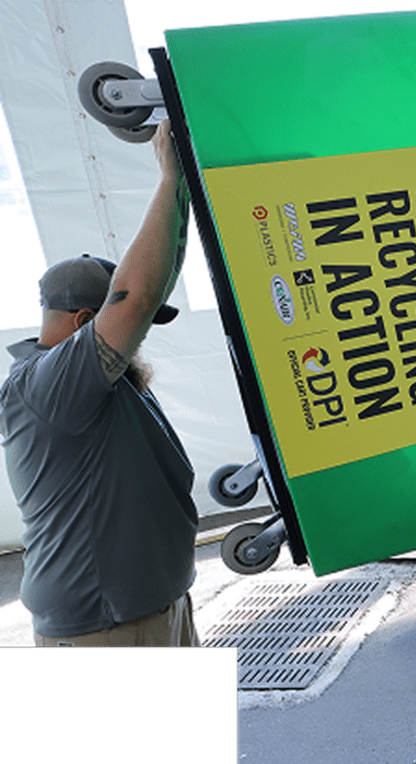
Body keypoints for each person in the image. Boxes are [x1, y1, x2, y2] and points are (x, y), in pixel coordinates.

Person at [0, 120, 199, 647]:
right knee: (114, 718)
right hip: (98, 627)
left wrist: (183, 191)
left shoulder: (96, 385)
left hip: (156, 607)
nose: (138, 337)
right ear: (86, 321)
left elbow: (152, 287)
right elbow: (136, 296)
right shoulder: (48, 385)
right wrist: (167, 176)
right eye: (133, 327)